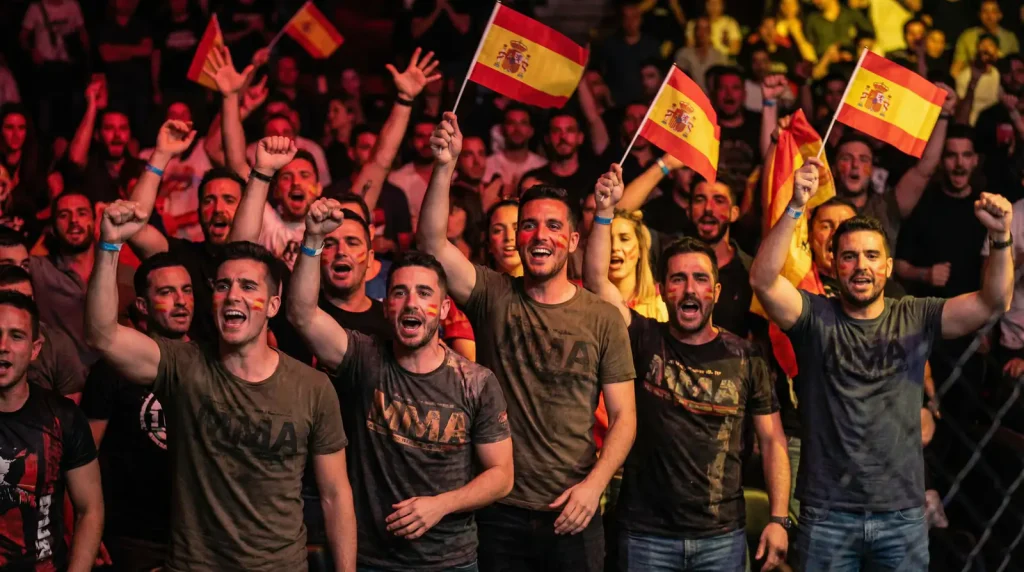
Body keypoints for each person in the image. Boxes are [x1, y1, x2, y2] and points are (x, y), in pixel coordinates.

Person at [749, 158, 1014, 570]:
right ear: (834, 266)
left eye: (872, 256)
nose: (861, 266)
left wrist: (1000, 238)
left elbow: (992, 301)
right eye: (850, 257)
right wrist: (796, 206)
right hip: (827, 513)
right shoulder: (814, 316)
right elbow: (763, 280)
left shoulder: (915, 314)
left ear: (888, 267)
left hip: (901, 515)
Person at [84, 201, 358, 570]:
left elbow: (335, 495)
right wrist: (110, 246)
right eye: (223, 285)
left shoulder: (312, 387)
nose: (233, 295)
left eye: (248, 286)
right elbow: (102, 335)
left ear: (273, 305)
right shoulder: (184, 364)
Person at [419, 112, 637, 571]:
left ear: (574, 240)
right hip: (499, 510)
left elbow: (624, 419)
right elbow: (434, 243)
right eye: (529, 225)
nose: (541, 235)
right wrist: (446, 165)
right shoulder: (493, 294)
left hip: (573, 511)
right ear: (517, 238)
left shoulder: (602, 318)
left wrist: (594, 486)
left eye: (554, 226)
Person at [584, 166, 790, 572]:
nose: (690, 289)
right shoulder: (645, 337)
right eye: (678, 279)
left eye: (700, 279)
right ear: (662, 290)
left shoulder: (746, 356)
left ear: (714, 292)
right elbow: (596, 281)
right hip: (646, 534)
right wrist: (605, 213)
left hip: (720, 536)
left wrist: (780, 519)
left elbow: (772, 441)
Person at [289, 200, 514, 570]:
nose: (411, 303)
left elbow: (502, 476)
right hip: (373, 559)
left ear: (443, 310)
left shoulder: (476, 382)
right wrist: (314, 237)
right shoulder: (364, 358)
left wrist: (441, 505)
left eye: (425, 294)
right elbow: (302, 314)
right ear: (387, 306)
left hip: (450, 562)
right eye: (400, 293)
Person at [79, 252, 193, 570]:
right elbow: (84, 457)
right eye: (167, 292)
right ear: (142, 306)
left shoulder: (211, 361)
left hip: (198, 535)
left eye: (186, 290)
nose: (181, 301)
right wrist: (87, 527)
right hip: (131, 537)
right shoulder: (112, 370)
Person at [0, 290, 103, 571]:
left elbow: (90, 509)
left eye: (16, 336)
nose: (3, 346)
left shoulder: (63, 418)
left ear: (35, 349)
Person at [0, 263, 86, 401]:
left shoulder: (58, 344)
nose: (18, 310)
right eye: (9, 301)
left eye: (26, 299)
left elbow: (68, 412)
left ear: (35, 348)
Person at [484, 105, 547, 198]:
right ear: (502, 130)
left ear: (531, 131)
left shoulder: (542, 166)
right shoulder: (487, 165)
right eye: (511, 123)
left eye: (523, 123)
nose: (517, 129)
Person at [951, 0, 1020, 77]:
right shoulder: (967, 36)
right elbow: (956, 68)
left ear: (1000, 15)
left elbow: (1017, 69)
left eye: (993, 12)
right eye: (985, 11)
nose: (989, 16)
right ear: (979, 14)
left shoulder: (1010, 38)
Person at [674, 16, 727, 95]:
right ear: (694, 32)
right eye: (699, 29)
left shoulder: (719, 56)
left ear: (710, 32)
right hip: (689, 99)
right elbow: (678, 80)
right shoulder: (683, 54)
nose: (702, 33)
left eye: (705, 29)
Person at [804, 0, 875, 57]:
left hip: (853, 64)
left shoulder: (851, 14)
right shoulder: (812, 20)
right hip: (829, 69)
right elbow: (809, 47)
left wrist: (864, 48)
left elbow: (869, 36)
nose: (815, 1)